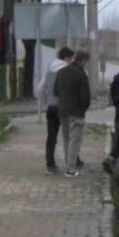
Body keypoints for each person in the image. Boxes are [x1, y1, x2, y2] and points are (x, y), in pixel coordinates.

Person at [55, 50, 91, 178]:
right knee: (74, 141)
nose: (86, 65)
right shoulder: (81, 75)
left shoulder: (61, 72)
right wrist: (83, 109)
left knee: (66, 139)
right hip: (76, 112)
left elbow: (55, 91)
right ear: (83, 61)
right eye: (86, 62)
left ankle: (68, 165)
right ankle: (70, 169)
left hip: (63, 111)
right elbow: (85, 97)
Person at [37, 47, 74, 174]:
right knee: (68, 136)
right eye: (71, 58)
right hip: (64, 108)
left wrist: (46, 101)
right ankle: (71, 163)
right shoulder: (68, 71)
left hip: (51, 108)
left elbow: (40, 89)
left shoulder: (49, 71)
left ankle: (50, 163)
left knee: (51, 137)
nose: (71, 61)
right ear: (66, 58)